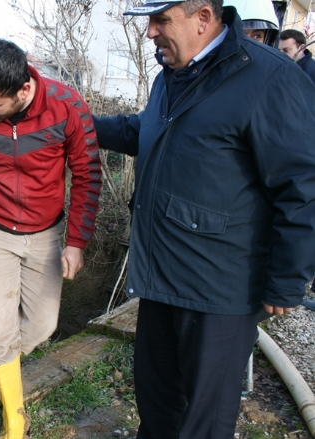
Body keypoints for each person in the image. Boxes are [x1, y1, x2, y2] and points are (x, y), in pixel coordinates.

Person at [92, 0, 315, 438]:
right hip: (161, 277)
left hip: (220, 287)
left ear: (203, 18)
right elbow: (147, 132)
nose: (150, 33)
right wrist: (82, 123)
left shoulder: (266, 78)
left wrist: (288, 277)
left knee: (204, 419)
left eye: (161, 20)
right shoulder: (170, 75)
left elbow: (302, 185)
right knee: (157, 404)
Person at [0, 37, 101, 438]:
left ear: (24, 88)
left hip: (46, 233)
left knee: (41, 327)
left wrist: (76, 241)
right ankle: (16, 423)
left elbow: (87, 175)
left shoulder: (67, 106)